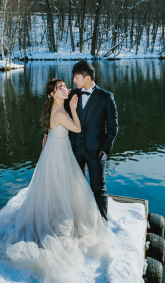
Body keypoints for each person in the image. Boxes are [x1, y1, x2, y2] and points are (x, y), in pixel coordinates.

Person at [0, 78, 111, 281]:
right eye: (61, 88)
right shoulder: (59, 111)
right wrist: (73, 108)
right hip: (58, 154)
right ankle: (55, 219)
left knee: (57, 186)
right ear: (53, 94)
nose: (66, 89)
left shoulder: (55, 108)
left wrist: (47, 132)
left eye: (65, 86)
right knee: (62, 185)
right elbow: (77, 129)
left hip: (55, 151)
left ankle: (56, 211)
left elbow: (54, 125)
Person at [62, 60, 119, 220]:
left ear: (87, 78)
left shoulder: (106, 97)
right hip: (75, 150)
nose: (74, 80)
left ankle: (102, 221)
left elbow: (113, 127)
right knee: (75, 188)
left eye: (76, 77)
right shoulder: (72, 94)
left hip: (96, 151)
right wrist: (47, 133)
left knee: (98, 188)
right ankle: (78, 220)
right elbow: (58, 113)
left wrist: (104, 149)